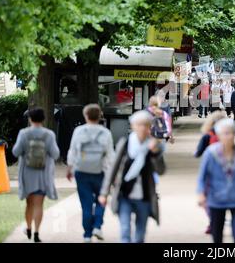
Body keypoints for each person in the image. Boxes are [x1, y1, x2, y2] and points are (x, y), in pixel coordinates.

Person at [98, 110, 166, 243]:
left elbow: (161, 170)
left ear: (150, 127)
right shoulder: (125, 143)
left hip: (145, 196)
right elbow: (113, 168)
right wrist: (104, 193)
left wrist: (156, 154)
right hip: (125, 195)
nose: (142, 128)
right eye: (139, 124)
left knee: (140, 236)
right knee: (125, 231)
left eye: (146, 125)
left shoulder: (154, 146)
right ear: (133, 126)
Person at [66, 104, 115, 242]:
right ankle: (97, 226)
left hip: (81, 171)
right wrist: (113, 174)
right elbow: (110, 155)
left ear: (86, 116)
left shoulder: (79, 131)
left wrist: (70, 168)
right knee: (102, 199)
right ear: (100, 116)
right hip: (101, 171)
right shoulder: (106, 133)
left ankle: (87, 235)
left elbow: (73, 151)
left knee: (86, 204)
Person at [197, 118, 235, 243]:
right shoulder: (210, 153)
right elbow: (202, 176)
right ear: (219, 135)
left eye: (232, 132)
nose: (230, 136)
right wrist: (201, 194)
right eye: (226, 133)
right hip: (216, 199)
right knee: (217, 235)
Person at [12, 107, 60, 243]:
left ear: (30, 119)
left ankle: (28, 228)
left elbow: (16, 152)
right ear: (43, 119)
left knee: (29, 204)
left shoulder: (23, 133)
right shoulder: (49, 134)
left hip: (27, 174)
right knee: (39, 204)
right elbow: (55, 154)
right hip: (43, 175)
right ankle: (37, 233)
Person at [194, 110, 227, 234]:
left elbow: (198, 153)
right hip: (226, 172)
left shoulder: (207, 136)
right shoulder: (227, 136)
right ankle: (217, 221)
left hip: (210, 173)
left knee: (208, 200)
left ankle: (213, 221)